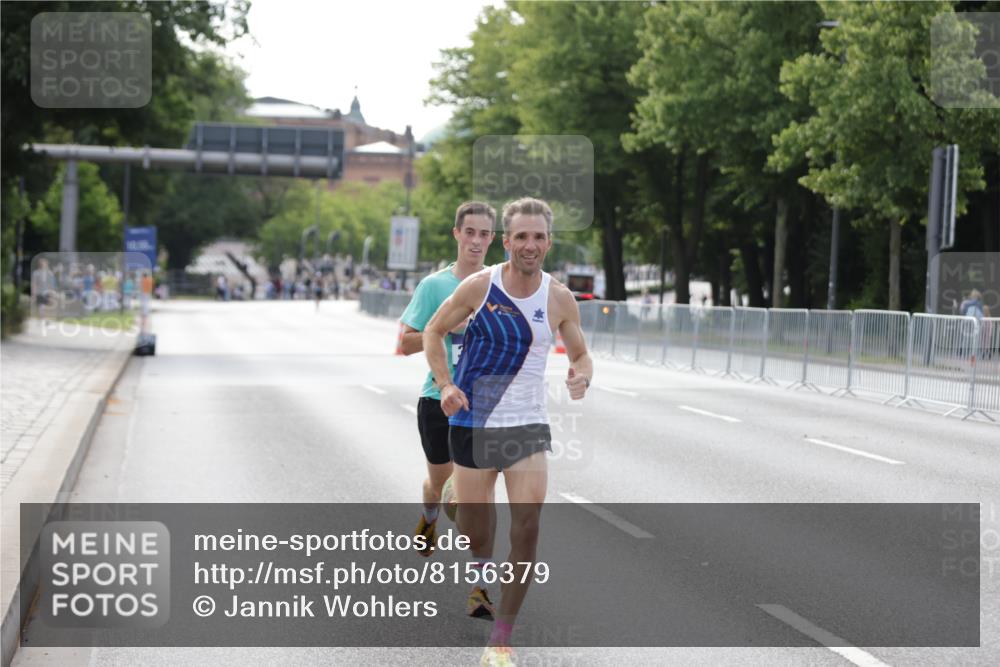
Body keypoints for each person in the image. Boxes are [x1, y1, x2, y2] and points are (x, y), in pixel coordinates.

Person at [423, 197, 593, 664]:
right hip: (473, 421)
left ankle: (501, 638)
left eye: (539, 237)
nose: (530, 245)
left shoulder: (558, 297)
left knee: (528, 525)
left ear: (549, 242)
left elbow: (580, 353)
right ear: (507, 241)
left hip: (526, 424)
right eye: (521, 236)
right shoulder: (481, 286)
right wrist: (445, 384)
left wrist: (581, 375)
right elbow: (434, 333)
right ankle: (471, 539)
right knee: (479, 533)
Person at [399, 201, 500, 620]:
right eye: (470, 232)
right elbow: (403, 343)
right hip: (437, 402)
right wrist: (448, 329)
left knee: (475, 502)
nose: (476, 241)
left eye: (484, 234)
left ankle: (480, 587)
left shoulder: (501, 286)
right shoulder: (434, 287)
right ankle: (428, 514)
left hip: (484, 406)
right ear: (457, 234)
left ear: (492, 239)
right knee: (444, 493)